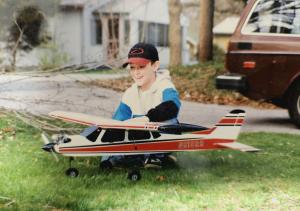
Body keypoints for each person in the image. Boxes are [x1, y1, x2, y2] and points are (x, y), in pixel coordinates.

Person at [102, 42, 181, 167]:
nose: (136, 72)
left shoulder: (165, 85)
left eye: (141, 67)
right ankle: (139, 158)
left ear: (155, 66)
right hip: (142, 138)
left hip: (163, 135)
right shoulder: (130, 93)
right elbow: (118, 121)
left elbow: (172, 106)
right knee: (121, 133)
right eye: (132, 68)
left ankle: (160, 156)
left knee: (169, 120)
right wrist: (105, 154)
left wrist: (147, 118)